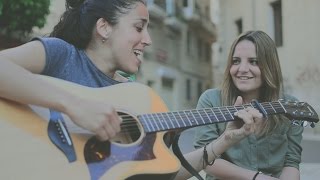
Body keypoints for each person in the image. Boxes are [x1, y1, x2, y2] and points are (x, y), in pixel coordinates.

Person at [0, 0, 260, 179]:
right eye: (139, 27)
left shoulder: (135, 96)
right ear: (104, 27)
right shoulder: (61, 54)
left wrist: (223, 142)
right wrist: (73, 105)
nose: (147, 40)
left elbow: (161, 174)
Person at [193, 30, 303, 180]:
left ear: (270, 66)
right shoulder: (211, 100)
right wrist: (257, 178)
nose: (242, 69)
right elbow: (204, 159)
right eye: (236, 61)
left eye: (254, 62)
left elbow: (291, 162)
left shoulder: (291, 106)